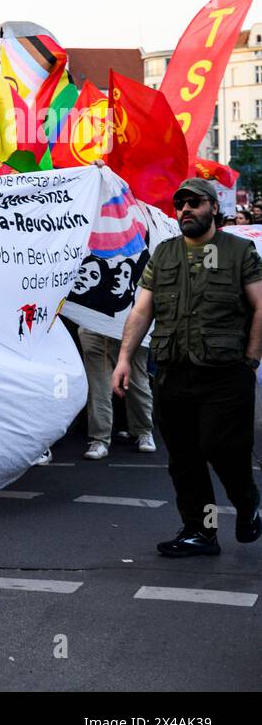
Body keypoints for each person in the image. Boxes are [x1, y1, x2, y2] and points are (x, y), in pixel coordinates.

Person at [113, 178, 262, 556]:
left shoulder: (239, 251)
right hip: (175, 371)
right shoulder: (163, 254)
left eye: (194, 202)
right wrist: (125, 358)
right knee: (184, 459)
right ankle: (202, 530)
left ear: (213, 207)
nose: (185, 209)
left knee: (221, 448)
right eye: (180, 203)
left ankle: (247, 503)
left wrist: (251, 360)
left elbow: (260, 307)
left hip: (226, 373)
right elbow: (142, 310)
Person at [77, 327, 155, 458]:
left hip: (129, 327)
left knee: (137, 383)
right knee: (98, 387)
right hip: (94, 327)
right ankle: (100, 439)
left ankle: (144, 431)